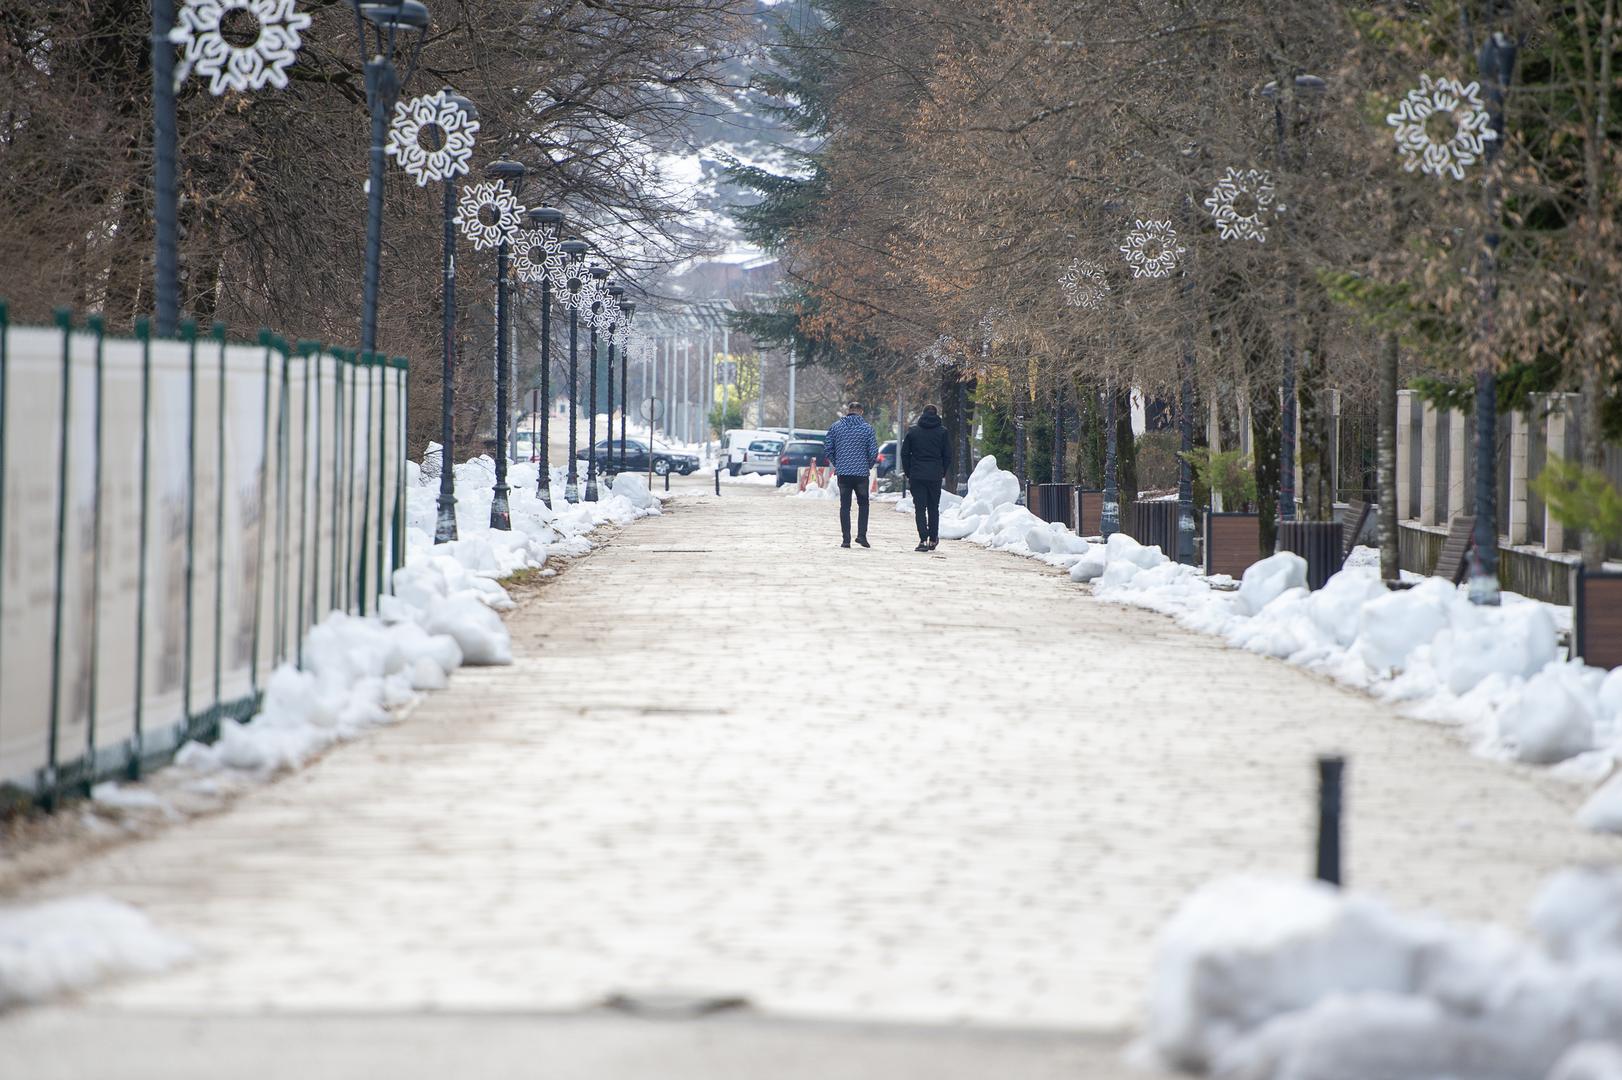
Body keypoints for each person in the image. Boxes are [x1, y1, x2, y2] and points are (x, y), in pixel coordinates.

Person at [824, 401, 879, 548]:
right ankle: (861, 536)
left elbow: (828, 448)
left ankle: (846, 539)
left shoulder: (836, 427)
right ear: (861, 411)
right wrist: (867, 465)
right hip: (861, 474)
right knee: (863, 505)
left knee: (845, 506)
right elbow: (873, 452)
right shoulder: (867, 429)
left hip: (844, 473)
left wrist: (838, 463)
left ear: (849, 410)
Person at [900, 404, 952, 551]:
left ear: (922, 414)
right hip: (934, 474)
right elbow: (947, 455)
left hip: (917, 474)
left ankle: (923, 539)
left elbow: (905, 454)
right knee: (933, 508)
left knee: (920, 508)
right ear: (936, 414)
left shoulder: (913, 431)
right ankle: (933, 539)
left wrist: (909, 471)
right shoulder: (942, 432)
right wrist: (942, 471)